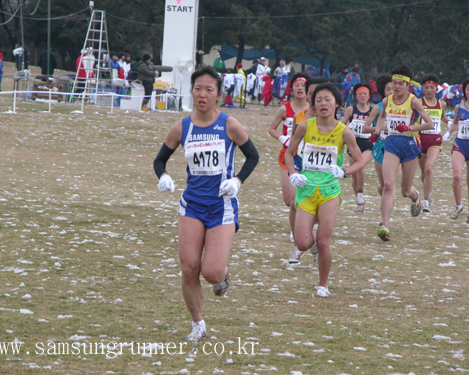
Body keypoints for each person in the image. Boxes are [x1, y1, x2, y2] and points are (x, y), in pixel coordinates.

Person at [153, 65, 259, 340]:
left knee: (210, 272)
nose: (202, 94)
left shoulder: (229, 125)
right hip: (192, 205)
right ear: (191, 92)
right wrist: (163, 175)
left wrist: (237, 180)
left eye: (208, 90)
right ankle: (198, 323)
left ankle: (222, 275)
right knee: (189, 266)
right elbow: (159, 159)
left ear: (218, 94)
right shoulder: (182, 127)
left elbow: (253, 157)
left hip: (221, 206)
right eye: (197, 89)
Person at [284, 82, 366, 297]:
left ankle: (323, 285)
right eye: (318, 100)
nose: (322, 103)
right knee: (302, 243)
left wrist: (345, 172)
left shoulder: (344, 132)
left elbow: (360, 160)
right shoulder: (305, 126)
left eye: (327, 99)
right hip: (307, 189)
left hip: (329, 191)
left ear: (337, 103)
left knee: (323, 241)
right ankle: (310, 234)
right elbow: (288, 152)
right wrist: (293, 173)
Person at [374, 64, 434, 241]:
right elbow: (382, 116)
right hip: (391, 143)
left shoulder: (414, 101)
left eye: (400, 83)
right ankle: (385, 226)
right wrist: (377, 132)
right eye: (394, 82)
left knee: (405, 190)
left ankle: (416, 198)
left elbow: (429, 124)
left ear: (408, 85)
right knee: (387, 185)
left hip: (409, 144)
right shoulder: (387, 100)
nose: (396, 86)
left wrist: (409, 127)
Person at [288, 76, 329, 265]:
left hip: (323, 171)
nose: (314, 98)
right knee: (295, 204)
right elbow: (294, 141)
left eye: (317, 94)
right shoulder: (301, 116)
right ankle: (298, 244)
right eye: (311, 93)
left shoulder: (330, 116)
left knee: (318, 209)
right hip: (300, 162)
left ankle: (315, 244)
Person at [268, 73, 309, 251]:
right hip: (289, 153)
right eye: (296, 85)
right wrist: (283, 138)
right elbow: (271, 129)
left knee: (295, 200)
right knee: (288, 200)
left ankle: (299, 230)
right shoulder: (285, 109)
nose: (300, 88)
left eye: (302, 85)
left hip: (307, 156)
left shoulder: (312, 109)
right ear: (291, 89)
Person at [416, 74, 449, 213]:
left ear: (436, 89)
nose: (429, 90)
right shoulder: (418, 102)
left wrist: (453, 123)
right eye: (426, 87)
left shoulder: (441, 104)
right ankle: (427, 193)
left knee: (429, 168)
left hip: (435, 139)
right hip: (420, 139)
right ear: (423, 89)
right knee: (424, 173)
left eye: (432, 88)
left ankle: (425, 201)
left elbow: (443, 117)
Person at [341, 83, 374, 212]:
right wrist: (347, 128)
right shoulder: (350, 110)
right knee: (354, 176)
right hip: (353, 143)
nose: (362, 96)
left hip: (368, 143)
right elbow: (341, 125)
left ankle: (360, 192)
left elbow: (379, 124)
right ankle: (359, 200)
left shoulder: (373, 110)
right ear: (355, 96)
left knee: (361, 166)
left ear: (369, 96)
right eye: (360, 94)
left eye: (365, 94)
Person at [362, 74, 396, 199]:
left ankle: (387, 211)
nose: (392, 92)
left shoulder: (403, 106)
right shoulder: (378, 107)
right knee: (384, 184)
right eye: (388, 89)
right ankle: (384, 198)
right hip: (380, 145)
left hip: (395, 145)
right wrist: (381, 128)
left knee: (389, 184)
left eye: (393, 88)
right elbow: (365, 128)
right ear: (382, 91)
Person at [444, 78, 469, 223]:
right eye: (468, 89)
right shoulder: (458, 107)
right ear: (464, 91)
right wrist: (448, 133)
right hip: (460, 144)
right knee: (457, 176)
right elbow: (454, 124)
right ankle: (458, 205)